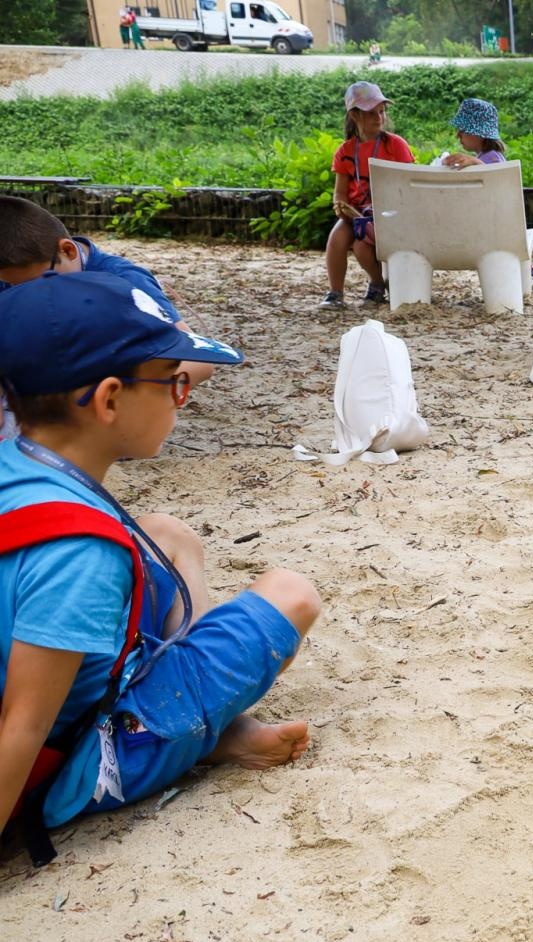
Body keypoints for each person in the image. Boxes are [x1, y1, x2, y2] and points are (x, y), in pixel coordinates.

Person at [0, 273, 322, 865]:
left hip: (69, 671)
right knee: (290, 595)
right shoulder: (82, 557)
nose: (183, 395)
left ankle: (206, 717)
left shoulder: (17, 465)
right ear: (109, 400)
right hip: (79, 757)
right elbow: (21, 725)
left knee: (167, 534)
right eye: (174, 382)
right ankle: (204, 733)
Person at [0, 196, 220, 442]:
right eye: (12, 286)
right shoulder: (14, 273)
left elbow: (200, 362)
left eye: (37, 283)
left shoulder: (123, 281)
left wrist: (128, 402)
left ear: (68, 250)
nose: (30, 295)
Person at [320, 82, 414, 310]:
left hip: (390, 212)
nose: (378, 117)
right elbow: (340, 192)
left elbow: (410, 183)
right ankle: (335, 293)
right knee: (336, 238)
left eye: (381, 112)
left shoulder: (396, 145)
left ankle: (377, 284)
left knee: (361, 247)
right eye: (371, 113)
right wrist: (341, 207)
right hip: (357, 214)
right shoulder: (344, 151)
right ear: (354, 115)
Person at [440, 98, 507, 169]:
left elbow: (498, 177)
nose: (457, 135)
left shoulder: (493, 157)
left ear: (481, 133)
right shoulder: (485, 156)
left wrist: (476, 162)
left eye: (463, 130)